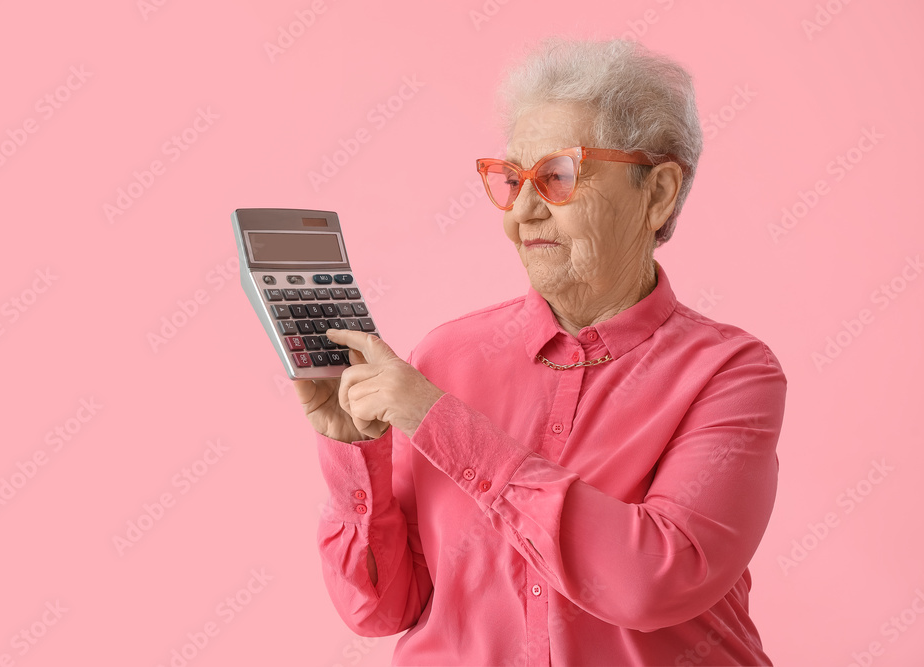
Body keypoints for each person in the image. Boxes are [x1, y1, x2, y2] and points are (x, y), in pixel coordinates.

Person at [293, 37, 786, 666]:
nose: (521, 212)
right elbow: (380, 609)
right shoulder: (447, 356)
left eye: (557, 176)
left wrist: (442, 424)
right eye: (510, 180)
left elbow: (650, 580)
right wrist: (354, 452)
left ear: (658, 192)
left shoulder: (732, 373)